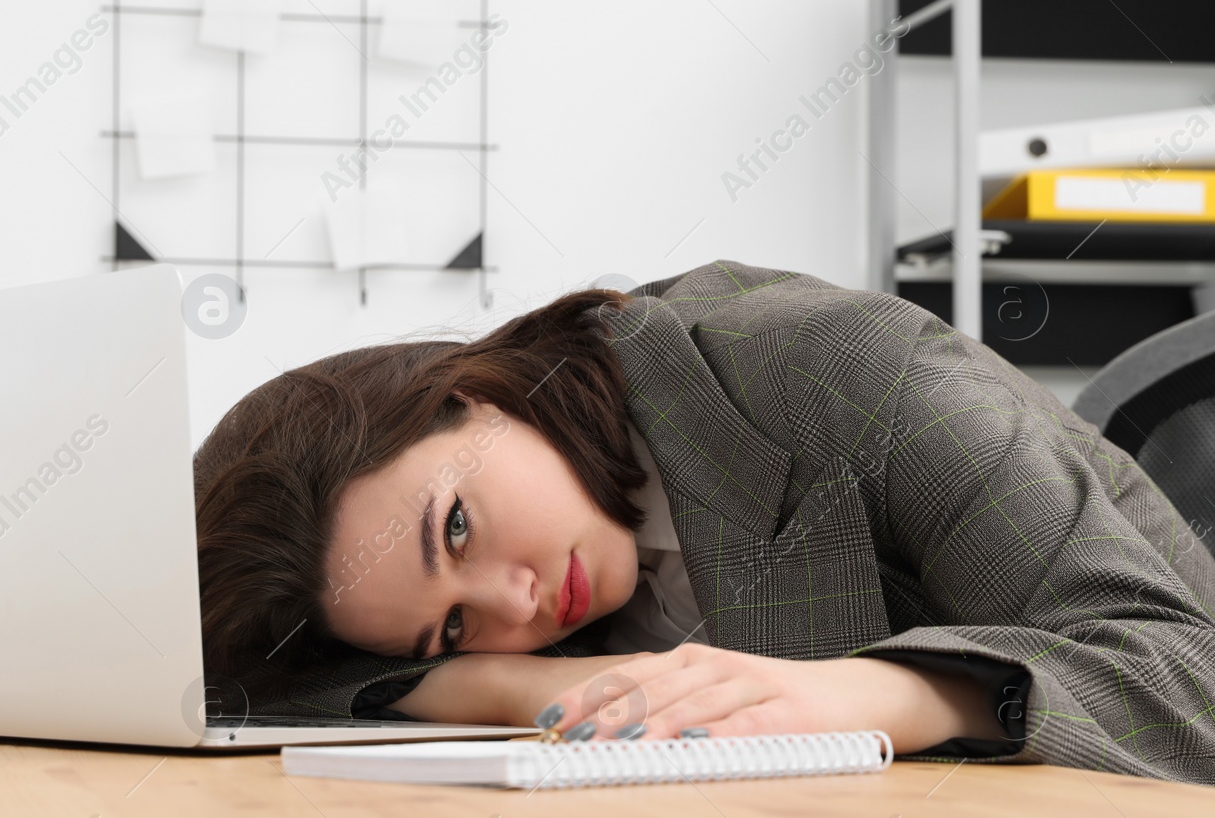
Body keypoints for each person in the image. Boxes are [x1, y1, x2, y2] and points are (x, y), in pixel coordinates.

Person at [193, 260, 1215, 784]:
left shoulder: (843, 371)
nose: (518, 602)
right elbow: (267, 688)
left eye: (456, 528)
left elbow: (1188, 676)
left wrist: (891, 692)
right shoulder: (540, 572)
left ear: (470, 390)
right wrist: (511, 680)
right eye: (452, 626)